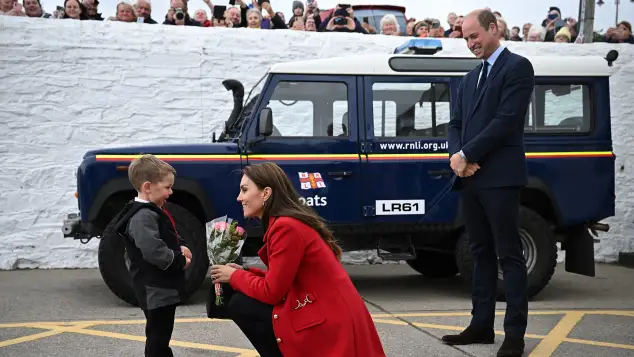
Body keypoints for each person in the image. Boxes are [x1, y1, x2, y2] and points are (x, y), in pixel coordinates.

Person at [210, 162, 386, 357]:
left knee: (242, 306)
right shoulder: (285, 223)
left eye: (244, 190)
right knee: (243, 302)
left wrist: (235, 277)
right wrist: (243, 274)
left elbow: (272, 292)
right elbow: (283, 279)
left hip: (330, 319)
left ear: (266, 193)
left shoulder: (285, 227)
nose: (239, 197)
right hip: (329, 310)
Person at [443, 9, 535, 357]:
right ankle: (481, 326)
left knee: (509, 256)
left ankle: (514, 335)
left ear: (493, 28)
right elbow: (454, 124)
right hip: (470, 179)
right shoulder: (468, 80)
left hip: (501, 179)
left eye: (474, 36)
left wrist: (466, 154)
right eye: (466, 38)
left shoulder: (518, 67)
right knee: (479, 253)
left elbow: (507, 120)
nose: (470, 43)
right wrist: (457, 157)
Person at [113, 154, 193, 357]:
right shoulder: (142, 216)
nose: (171, 192)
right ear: (148, 186)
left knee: (161, 334)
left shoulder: (152, 210)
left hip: (160, 289)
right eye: (167, 187)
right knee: (158, 336)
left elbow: (168, 235)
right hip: (155, 290)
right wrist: (179, 260)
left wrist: (181, 246)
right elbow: (154, 250)